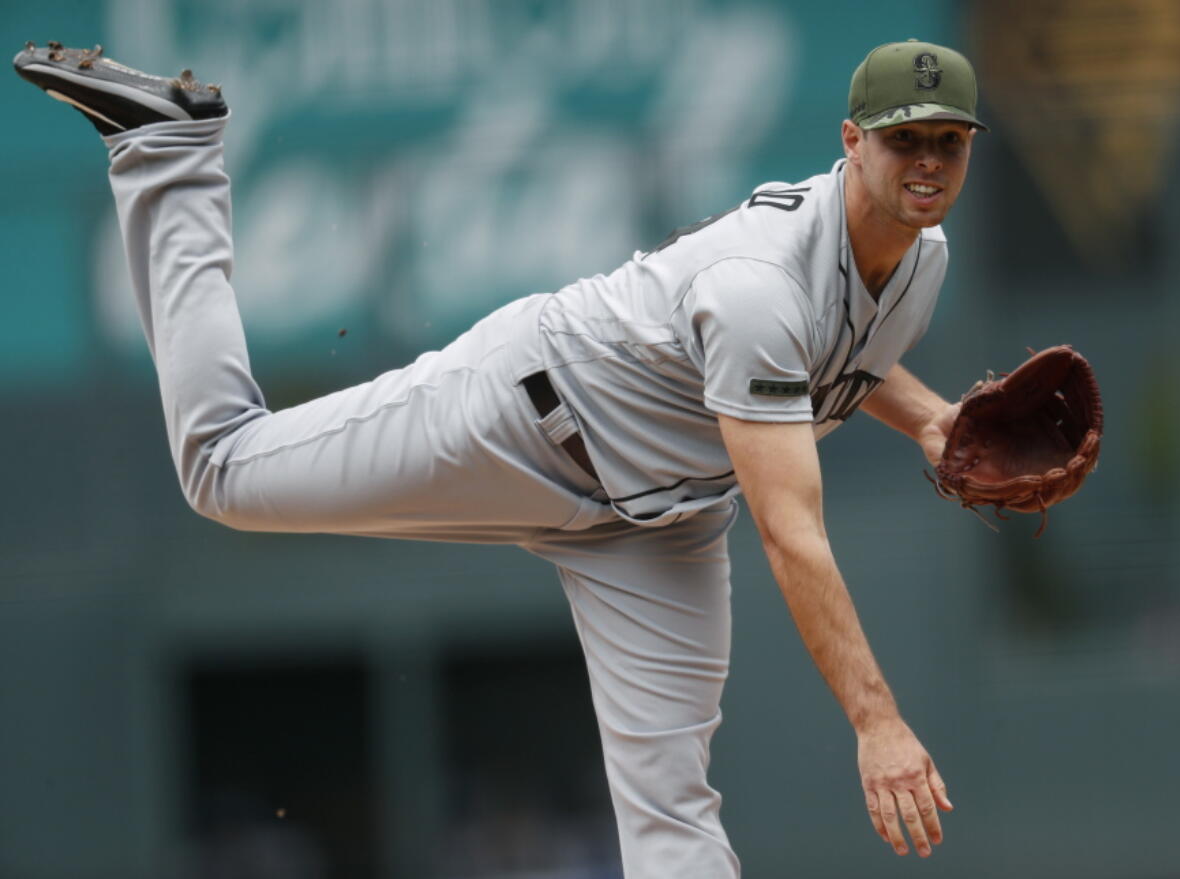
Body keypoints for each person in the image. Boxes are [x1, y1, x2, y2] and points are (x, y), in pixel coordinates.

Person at [14, 37, 984, 877]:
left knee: (670, 804)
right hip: (521, 421)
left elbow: (840, 354)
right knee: (221, 472)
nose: (927, 162)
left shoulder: (918, 258)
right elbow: (791, 532)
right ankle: (171, 154)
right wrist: (875, 722)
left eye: (946, 141)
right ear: (851, 143)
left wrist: (935, 420)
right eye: (904, 139)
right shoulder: (754, 289)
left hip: (657, 526)